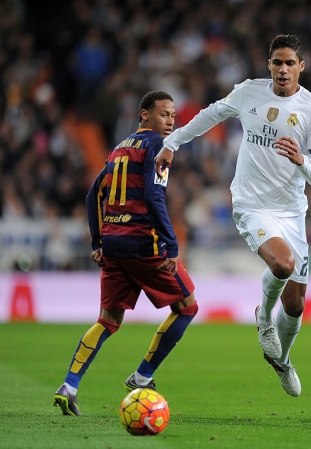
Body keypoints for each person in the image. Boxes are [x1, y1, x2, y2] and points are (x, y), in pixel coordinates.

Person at [154, 34, 311, 397]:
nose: (283, 69)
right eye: (277, 62)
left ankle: (282, 361)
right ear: (269, 65)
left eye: (289, 63)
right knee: (282, 264)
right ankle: (263, 317)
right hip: (251, 204)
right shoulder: (249, 92)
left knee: (296, 304)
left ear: (301, 67)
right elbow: (210, 115)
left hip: (291, 211)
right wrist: (172, 143)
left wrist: (302, 161)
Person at [53, 91, 198, 416]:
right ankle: (142, 376)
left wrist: (98, 242)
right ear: (144, 115)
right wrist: (170, 244)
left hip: (114, 245)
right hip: (144, 244)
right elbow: (153, 196)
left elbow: (94, 196)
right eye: (164, 114)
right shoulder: (160, 148)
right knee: (187, 306)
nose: (171, 120)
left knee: (108, 319)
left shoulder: (119, 148)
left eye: (173, 115)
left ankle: (69, 385)